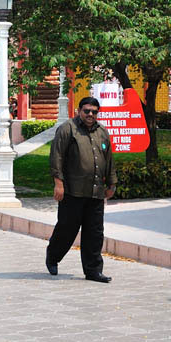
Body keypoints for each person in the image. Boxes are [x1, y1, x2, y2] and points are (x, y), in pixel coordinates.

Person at [45, 97, 116, 283]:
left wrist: (111, 183)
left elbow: (108, 160)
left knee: (95, 232)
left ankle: (93, 271)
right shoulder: (68, 129)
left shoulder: (102, 132)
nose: (90, 114)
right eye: (87, 111)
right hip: (72, 191)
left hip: (95, 192)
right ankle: (53, 256)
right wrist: (58, 184)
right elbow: (56, 157)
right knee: (67, 229)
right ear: (79, 111)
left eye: (94, 111)